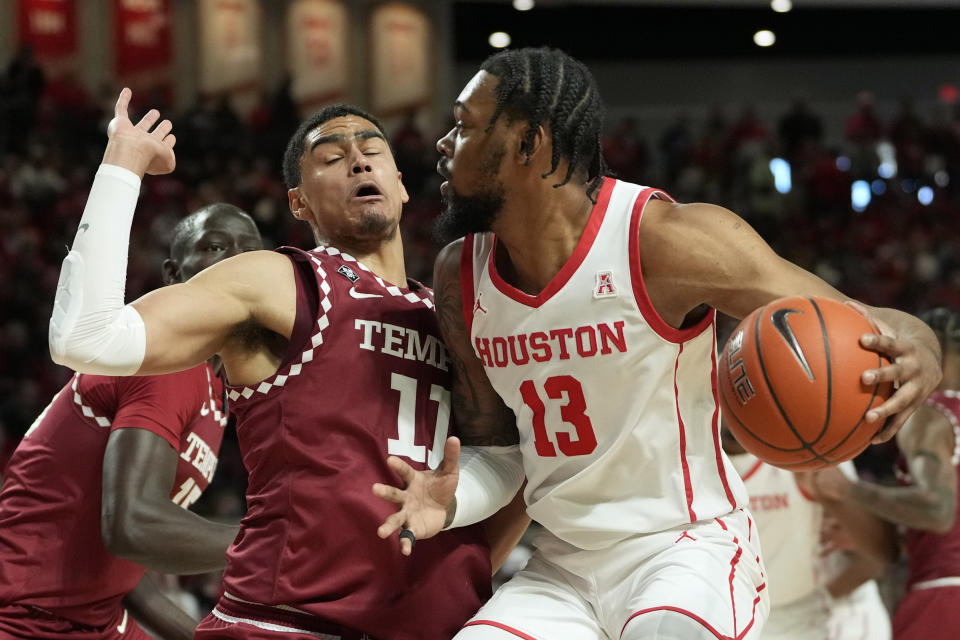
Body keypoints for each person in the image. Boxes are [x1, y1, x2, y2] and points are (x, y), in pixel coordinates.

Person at [371, 47, 941, 640]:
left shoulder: (664, 240)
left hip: (687, 547)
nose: (442, 143)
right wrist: (452, 499)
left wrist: (920, 346)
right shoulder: (459, 273)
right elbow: (499, 448)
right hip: (562, 565)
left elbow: (867, 321)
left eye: (463, 125)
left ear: (528, 142)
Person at [46, 89, 529, 640]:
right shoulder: (283, 279)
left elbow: (519, 476)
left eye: (373, 149)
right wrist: (123, 164)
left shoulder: (458, 315)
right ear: (298, 204)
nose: (358, 159)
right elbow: (84, 337)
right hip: (284, 624)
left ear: (399, 182)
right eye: (332, 156)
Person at [0, 203, 262, 639]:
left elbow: (126, 569)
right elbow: (133, 525)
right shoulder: (170, 362)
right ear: (174, 275)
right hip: (25, 616)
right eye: (215, 246)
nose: (236, 261)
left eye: (251, 253)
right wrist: (280, 539)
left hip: (92, 618)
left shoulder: (216, 389)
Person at [805, 307, 960, 640]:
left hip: (944, 598)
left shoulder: (931, 417)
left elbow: (938, 509)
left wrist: (850, 492)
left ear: (937, 352)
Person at [722, 429, 894, 640]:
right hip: (755, 620)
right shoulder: (692, 467)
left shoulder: (804, 446)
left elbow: (879, 557)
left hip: (836, 617)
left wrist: (842, 499)